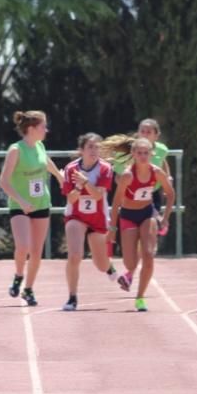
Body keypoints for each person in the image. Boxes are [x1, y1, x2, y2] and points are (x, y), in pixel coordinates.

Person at [0, 110, 65, 307]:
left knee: (36, 251)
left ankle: (28, 289)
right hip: (20, 206)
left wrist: (60, 177)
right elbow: (3, 181)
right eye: (43, 126)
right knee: (23, 246)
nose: (46, 130)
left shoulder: (40, 146)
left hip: (41, 204)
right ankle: (18, 275)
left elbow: (47, 163)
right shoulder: (15, 150)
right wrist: (20, 200)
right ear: (31, 128)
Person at [104, 136, 176, 312]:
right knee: (130, 264)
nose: (143, 156)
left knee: (149, 255)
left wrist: (165, 217)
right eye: (140, 153)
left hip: (147, 213)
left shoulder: (157, 172)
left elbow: (170, 193)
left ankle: (140, 297)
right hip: (128, 215)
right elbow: (116, 203)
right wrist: (112, 229)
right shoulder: (128, 175)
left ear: (151, 154)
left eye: (146, 153)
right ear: (134, 154)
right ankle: (130, 269)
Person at [60, 133, 120, 311]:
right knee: (75, 255)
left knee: (100, 264)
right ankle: (72, 297)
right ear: (82, 150)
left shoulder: (105, 168)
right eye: (90, 147)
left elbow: (97, 194)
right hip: (75, 216)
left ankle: (108, 266)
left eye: (97, 147)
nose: (94, 151)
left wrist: (85, 182)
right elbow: (71, 199)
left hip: (97, 219)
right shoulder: (71, 169)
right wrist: (78, 186)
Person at [136, 118, 173, 236]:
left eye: (148, 132)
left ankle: (158, 224)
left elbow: (163, 162)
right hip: (133, 192)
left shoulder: (161, 150)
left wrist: (168, 179)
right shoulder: (132, 149)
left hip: (153, 191)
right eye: (142, 131)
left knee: (150, 225)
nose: (145, 135)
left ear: (156, 136)